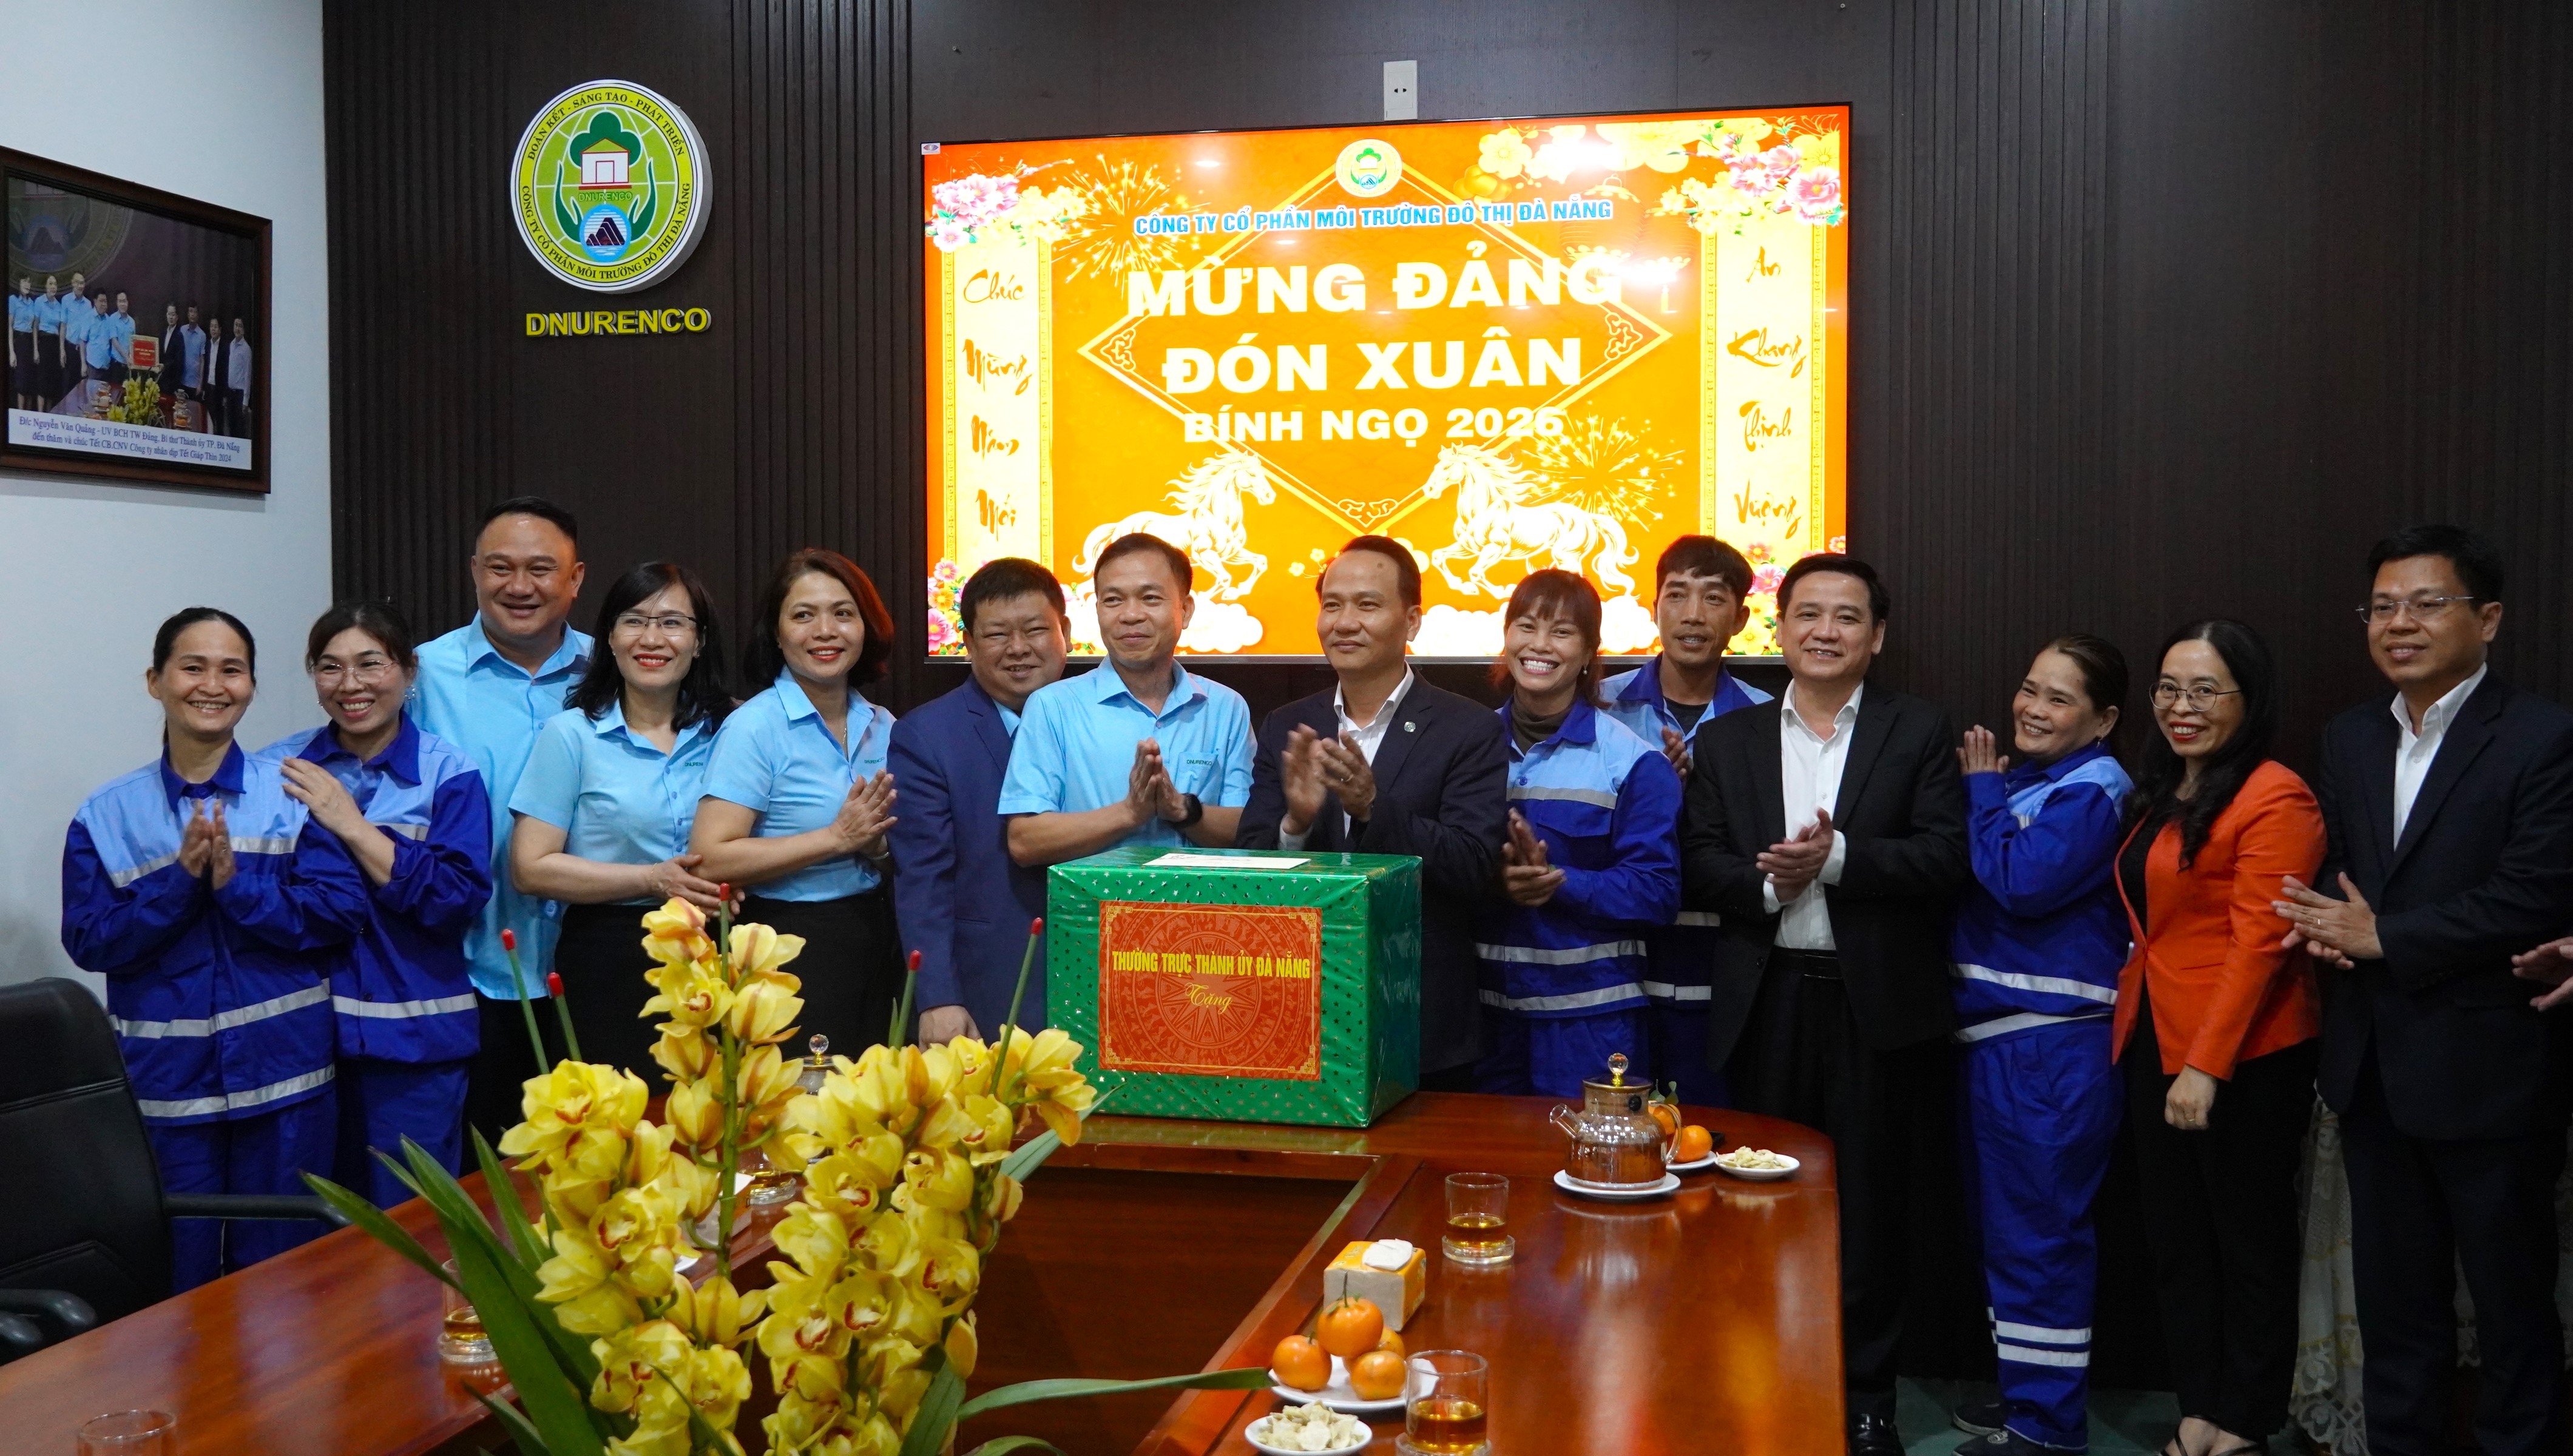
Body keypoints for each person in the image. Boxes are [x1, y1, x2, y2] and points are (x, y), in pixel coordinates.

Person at [2273, 526, 2573, 1456]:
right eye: (2382, 607)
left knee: (2514, 1310)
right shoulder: (2351, 735)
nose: (2399, 623)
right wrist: (2329, 927)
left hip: (2493, 1070)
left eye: (2426, 604)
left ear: (2489, 620)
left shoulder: (2544, 737)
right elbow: (2348, 872)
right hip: (2374, 1071)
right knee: (2395, 1314)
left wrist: (2384, 938)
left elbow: (2535, 893)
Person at [1679, 554, 1968, 1456]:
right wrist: (1773, 883)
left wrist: (1837, 861)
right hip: (1764, 1002)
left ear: (1876, 637)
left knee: (1869, 1211)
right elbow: (1699, 862)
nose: (1825, 631)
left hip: (1873, 1008)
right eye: (1807, 614)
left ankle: (1866, 1398)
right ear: (1780, 630)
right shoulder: (1730, 740)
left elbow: (1946, 857)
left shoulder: (1917, 729)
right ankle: (1761, 1383)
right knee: (1755, 1201)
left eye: (1847, 617)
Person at [59, 608, 369, 1289]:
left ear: (251, 686)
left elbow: (340, 911)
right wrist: (180, 883)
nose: (212, 684)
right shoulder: (105, 815)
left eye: (232, 669)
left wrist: (237, 889)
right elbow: (90, 940)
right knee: (181, 1287)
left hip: (287, 1081)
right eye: (193, 667)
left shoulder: (293, 794)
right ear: (156, 681)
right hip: (169, 1092)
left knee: (287, 1286)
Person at [2111, 619, 2322, 1456]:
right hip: (2153, 1036)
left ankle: (2245, 1418)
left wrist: (2204, 1067)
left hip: (2243, 1054)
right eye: (2168, 689)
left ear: (2248, 698)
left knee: (2247, 1242)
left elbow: (2257, 946)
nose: (2181, 707)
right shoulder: (2167, 787)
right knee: (2177, 1241)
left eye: (2205, 690)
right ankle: (2197, 1406)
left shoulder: (2276, 796)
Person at [1944, 638, 2135, 1456]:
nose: (2033, 709)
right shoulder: (2035, 780)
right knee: (2009, 1236)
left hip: (2049, 1051)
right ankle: (2029, 1397)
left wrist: (1981, 791)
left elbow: (2023, 883)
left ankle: (2048, 1429)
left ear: (2104, 719)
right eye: (2029, 688)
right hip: (2002, 1046)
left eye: (2059, 699)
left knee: (2040, 1241)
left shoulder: (2096, 788)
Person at [1237, 536, 1510, 1089]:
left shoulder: (1468, 728)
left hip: (1419, 1014)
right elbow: (1250, 870)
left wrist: (1371, 809)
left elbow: (1473, 866)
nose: (1344, 623)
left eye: (1367, 605)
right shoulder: (1288, 725)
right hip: (1299, 1008)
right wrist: (1295, 827)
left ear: (1412, 621)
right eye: (1332, 605)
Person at [261, 602, 491, 1207]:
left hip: (417, 1040)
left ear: (409, 671)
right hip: (305, 1041)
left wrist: (353, 825)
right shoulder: (278, 771)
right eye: (330, 667)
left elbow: (455, 899)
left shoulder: (449, 774)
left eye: (370, 664)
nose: (351, 684)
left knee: (413, 1226)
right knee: (315, 1230)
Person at [410, 496, 591, 1142]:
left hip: (593, 964)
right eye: (500, 567)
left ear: (575, 579)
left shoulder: (619, 670)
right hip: (462, 972)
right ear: (473, 572)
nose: (519, 586)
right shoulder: (420, 675)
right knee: (480, 1174)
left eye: (541, 569)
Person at [512, 563, 732, 1079]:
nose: (652, 639)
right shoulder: (571, 735)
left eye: (673, 623)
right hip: (608, 956)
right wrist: (652, 878)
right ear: (609, 637)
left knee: (715, 1114)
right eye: (634, 621)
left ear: (699, 641)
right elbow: (530, 867)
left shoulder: (733, 731)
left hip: (718, 951)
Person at [1472, 568, 1678, 1097]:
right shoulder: (1465, 743)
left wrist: (1559, 882)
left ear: (1589, 652)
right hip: (1481, 1016)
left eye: (1561, 632)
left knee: (1586, 1153)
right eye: (1526, 626)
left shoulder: (1633, 761)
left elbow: (1657, 892)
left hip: (1590, 1021)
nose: (1539, 645)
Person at [694, 548, 902, 1048]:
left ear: (866, 627)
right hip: (783, 944)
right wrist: (835, 838)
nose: (825, 631)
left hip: (874, 934)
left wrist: (877, 848)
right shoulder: (754, 727)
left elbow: (897, 851)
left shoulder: (885, 725)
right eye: (804, 615)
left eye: (843, 613)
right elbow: (710, 859)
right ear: (777, 632)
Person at [1600, 534, 1774, 1104]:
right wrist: (1652, 800)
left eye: (1714, 598)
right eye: (1677, 595)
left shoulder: (1766, 718)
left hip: (1722, 956)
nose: (1693, 615)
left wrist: (1699, 800)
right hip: (1620, 953)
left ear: (1741, 618)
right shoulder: (1600, 706)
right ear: (1654, 608)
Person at [889, 558, 1072, 1044]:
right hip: (988, 984)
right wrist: (937, 996)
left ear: (1067, 634)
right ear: (968, 644)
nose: (1019, 648)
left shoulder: (1102, 721)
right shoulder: (927, 736)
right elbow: (922, 879)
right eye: (996, 635)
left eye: (1035, 630)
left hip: (1103, 973)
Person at [1001, 533, 1254, 864]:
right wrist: (1130, 812)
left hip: (1203, 899)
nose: (1131, 615)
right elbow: (1025, 842)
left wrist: (1182, 809)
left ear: (1186, 610)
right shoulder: (1052, 707)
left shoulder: (1225, 708)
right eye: (1113, 600)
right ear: (1097, 611)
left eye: (1150, 598)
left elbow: (1250, 831)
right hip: (1094, 899)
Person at [33, 276, 69, 409]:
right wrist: (36, 350)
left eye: (55, 284)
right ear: (46, 286)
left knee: (52, 380)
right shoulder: (39, 302)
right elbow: (35, 326)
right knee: (42, 379)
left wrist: (61, 351)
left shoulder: (59, 306)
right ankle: (40, 413)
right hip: (44, 342)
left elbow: (61, 329)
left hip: (55, 344)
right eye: (51, 284)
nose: (53, 287)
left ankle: (49, 413)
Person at [8, 276, 33, 411]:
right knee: (21, 381)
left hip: (29, 342)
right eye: (24, 281)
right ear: (19, 283)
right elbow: (10, 326)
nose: (27, 284)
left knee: (29, 381)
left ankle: (28, 414)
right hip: (19, 341)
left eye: (29, 282)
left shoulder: (32, 303)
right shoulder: (13, 300)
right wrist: (12, 352)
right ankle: (19, 413)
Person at [179, 303, 208, 403]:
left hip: (194, 383)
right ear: (188, 314)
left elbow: (202, 360)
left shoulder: (202, 335)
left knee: (193, 409)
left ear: (198, 315)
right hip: (181, 380)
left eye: (195, 312)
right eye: (191, 312)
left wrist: (200, 384)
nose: (192, 314)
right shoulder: (182, 330)